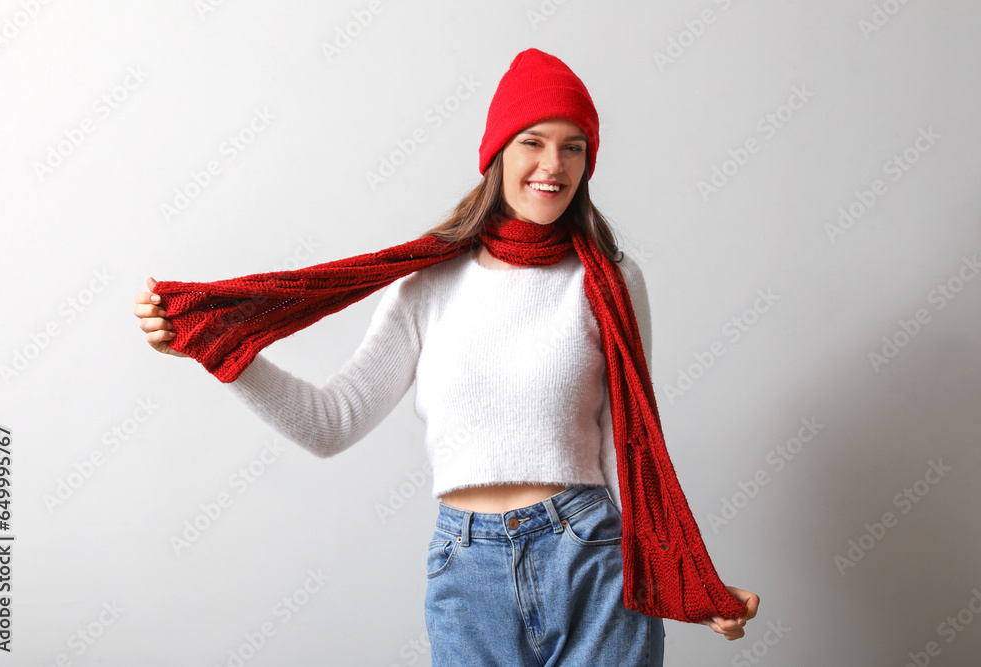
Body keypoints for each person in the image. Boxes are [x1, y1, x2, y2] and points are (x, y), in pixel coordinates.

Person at [134, 48, 758, 665]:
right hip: (467, 567)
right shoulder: (426, 284)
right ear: (498, 154)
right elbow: (332, 424)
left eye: (574, 146)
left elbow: (632, 442)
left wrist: (686, 578)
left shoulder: (611, 281)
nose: (553, 164)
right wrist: (221, 348)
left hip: (590, 555)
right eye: (533, 142)